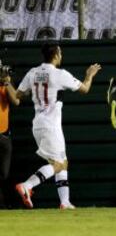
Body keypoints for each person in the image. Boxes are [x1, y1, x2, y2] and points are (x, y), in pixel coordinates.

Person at [15, 43, 101, 209]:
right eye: (60, 53)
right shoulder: (60, 74)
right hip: (50, 126)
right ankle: (27, 185)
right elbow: (84, 89)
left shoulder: (33, 72)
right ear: (55, 55)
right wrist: (89, 75)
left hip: (38, 123)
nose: (61, 56)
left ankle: (65, 201)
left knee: (62, 161)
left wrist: (36, 91)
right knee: (58, 164)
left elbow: (19, 94)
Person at [0, 71, 20, 208]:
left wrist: (7, 82)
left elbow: (16, 101)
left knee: (4, 174)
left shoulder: (4, 85)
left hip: (3, 136)